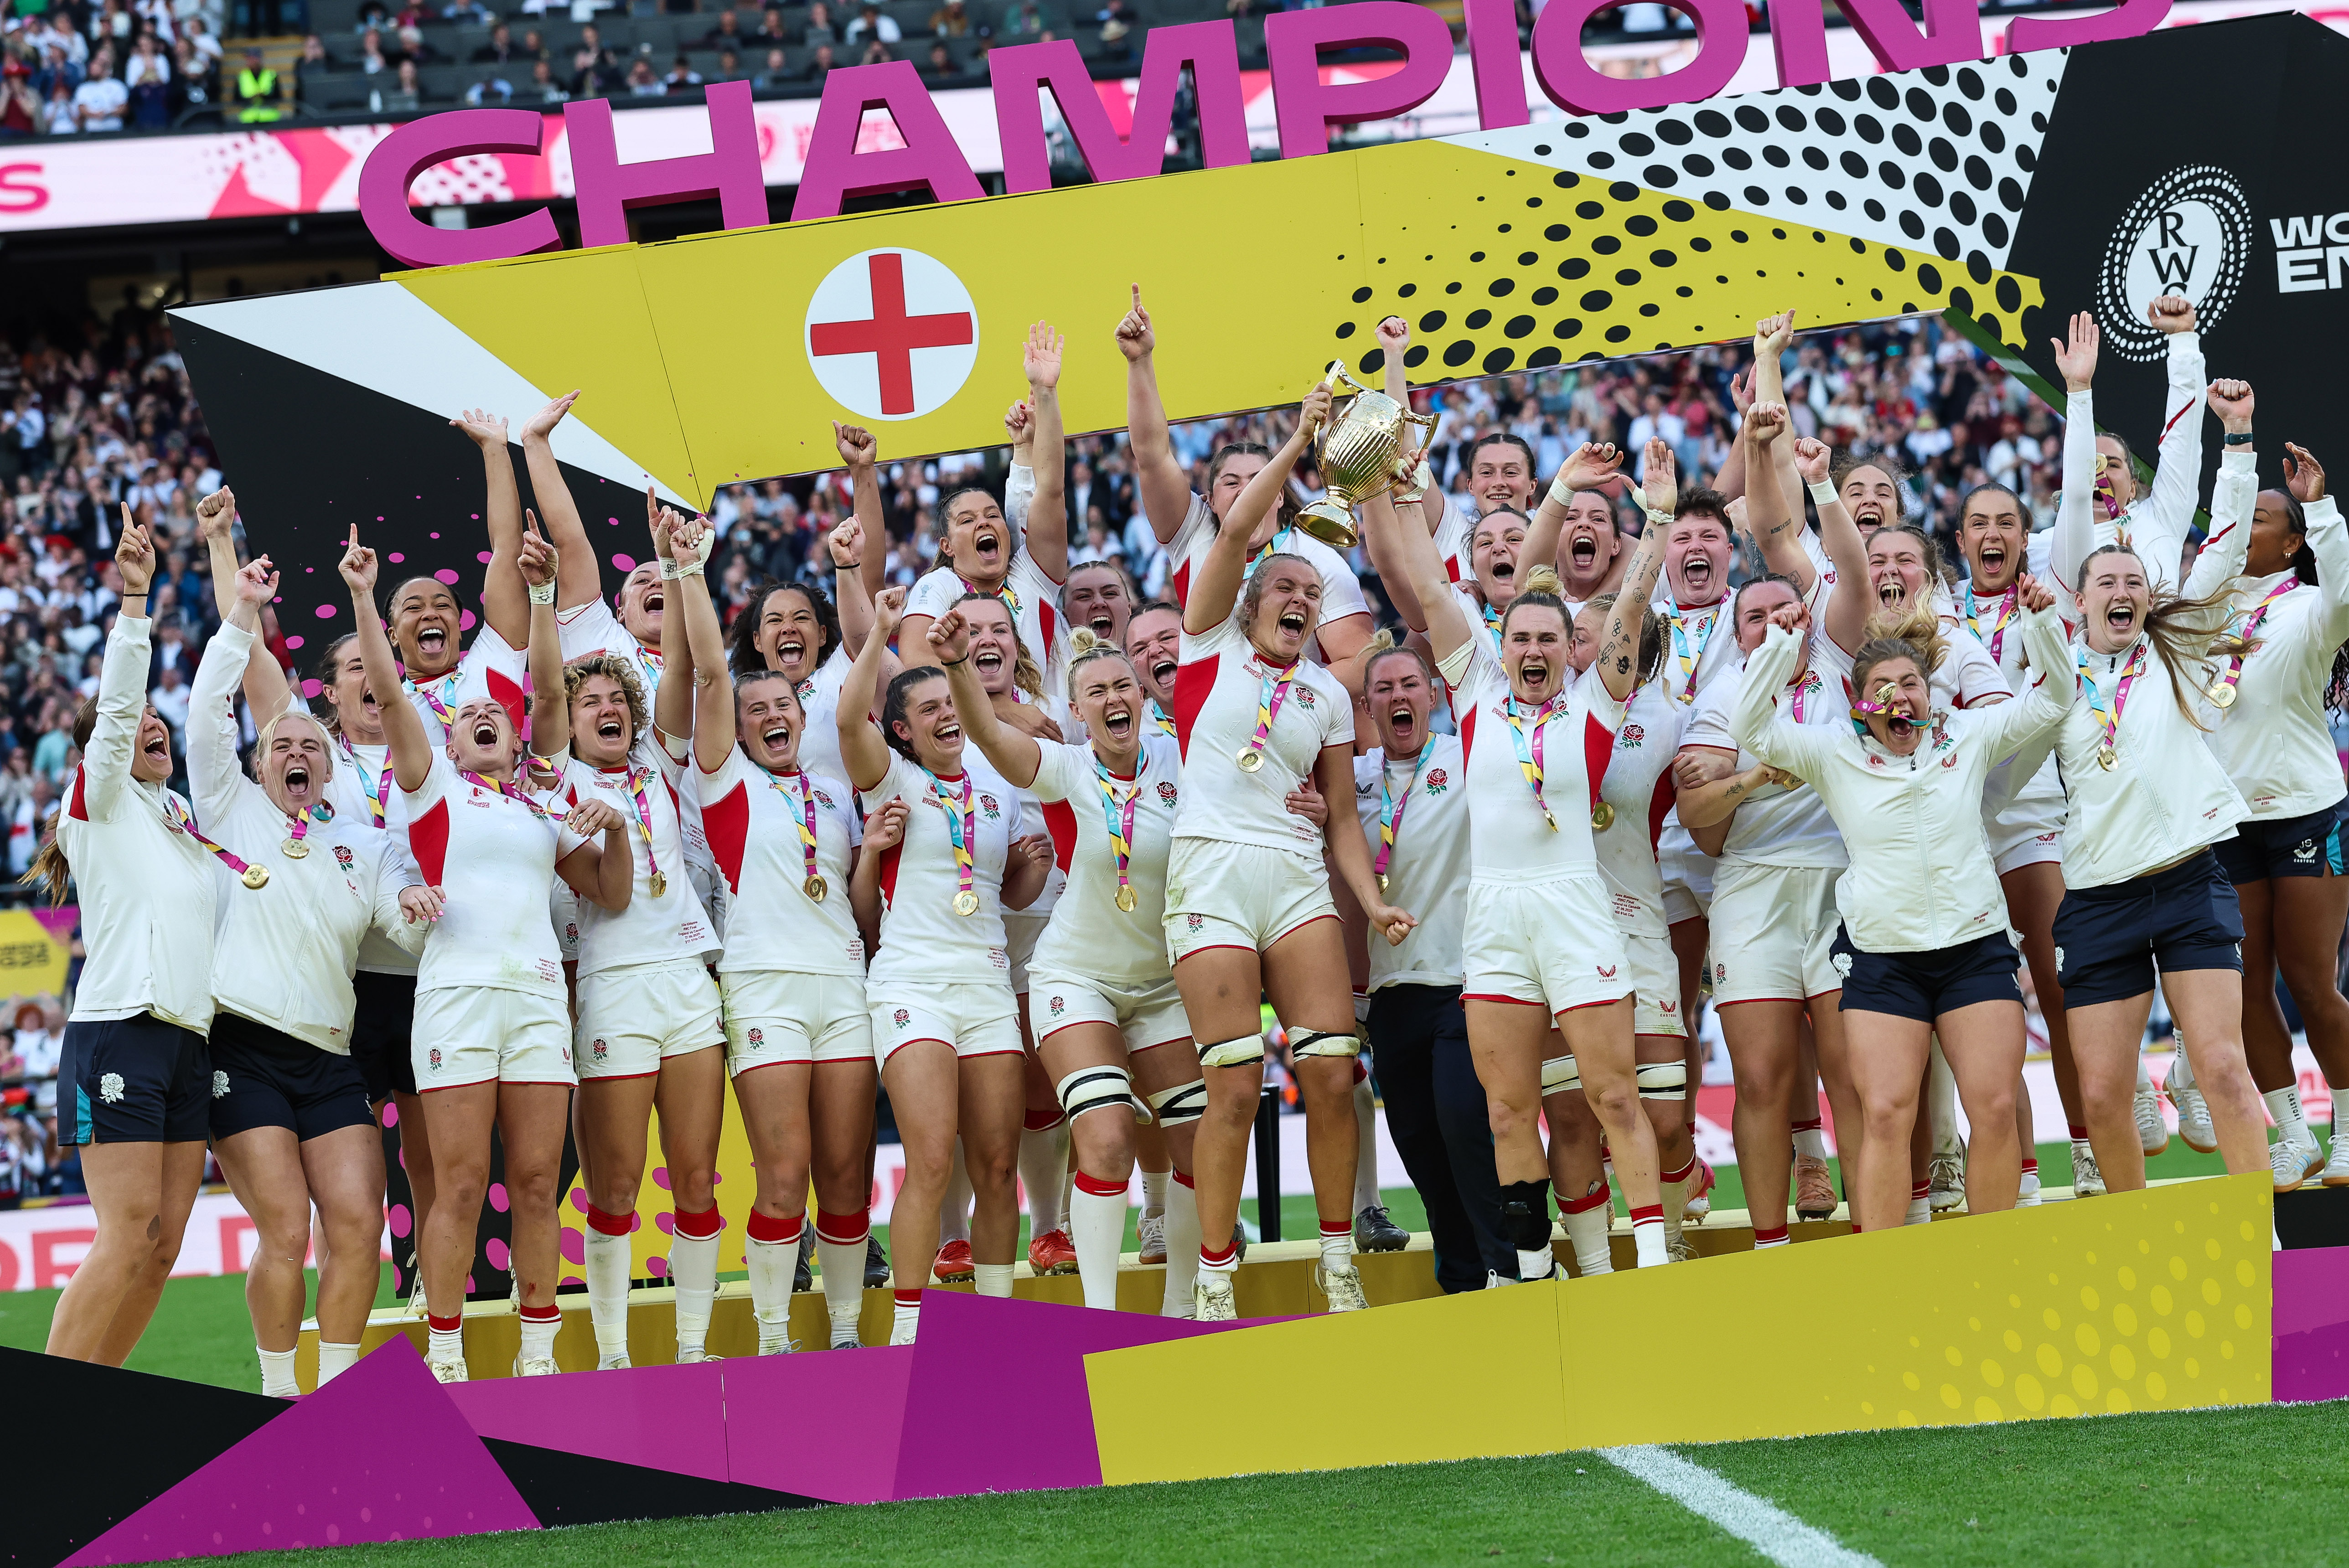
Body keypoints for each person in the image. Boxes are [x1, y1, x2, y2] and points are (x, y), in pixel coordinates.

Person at [1371, 422, 1674, 1278]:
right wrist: (1398, 484)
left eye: (1548, 639)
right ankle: (1534, 1275)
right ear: (1499, 650)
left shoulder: (1594, 707)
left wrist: (1652, 522)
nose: (1534, 649)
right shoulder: (1471, 696)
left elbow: (1631, 610)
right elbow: (1429, 585)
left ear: (1565, 654)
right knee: (1508, 1112)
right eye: (1521, 639)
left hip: (1575, 908)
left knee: (1612, 1096)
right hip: (1495, 915)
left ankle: (1648, 1267)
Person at [343, 519, 632, 1382]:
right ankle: (445, 1349)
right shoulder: (431, 795)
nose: (478, 715)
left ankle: (538, 1353)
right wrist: (364, 596)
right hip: (460, 998)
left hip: (540, 1001)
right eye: (465, 713)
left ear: (516, 742)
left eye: (491, 716)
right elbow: (395, 700)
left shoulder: (545, 812)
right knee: (460, 1184)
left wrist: (614, 830)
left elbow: (611, 892)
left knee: (540, 1184)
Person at [1165, 384, 1413, 1320]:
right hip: (1212, 873)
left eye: (1315, 594)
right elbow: (1230, 537)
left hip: (1298, 881)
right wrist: (1301, 441)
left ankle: (1336, 1256)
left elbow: (1343, 816)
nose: (1302, 602)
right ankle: (1217, 1273)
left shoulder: (1322, 699)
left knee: (1329, 1070)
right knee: (1231, 1083)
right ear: (1250, 600)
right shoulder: (1204, 647)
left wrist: (1373, 897)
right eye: (1287, 589)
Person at [1729, 578, 2074, 1231]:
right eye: (1882, 687)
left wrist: (2044, 627)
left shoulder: (1967, 736)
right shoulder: (1833, 751)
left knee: (1995, 1107)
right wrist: (1783, 642)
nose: (1899, 696)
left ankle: (1991, 1266)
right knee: (1887, 1114)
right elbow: (1752, 726)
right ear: (1861, 704)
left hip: (1974, 952)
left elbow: (2056, 697)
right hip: (1884, 961)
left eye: (1910, 684)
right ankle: (1891, 1280)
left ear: (1929, 694)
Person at [196, 487, 443, 1300]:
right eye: (350, 670)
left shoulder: (426, 747)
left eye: (377, 667)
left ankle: (435, 1280)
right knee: (350, 1179)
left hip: (412, 972)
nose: (369, 677)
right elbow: (250, 660)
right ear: (329, 692)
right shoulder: (307, 755)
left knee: (432, 1152)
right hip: (340, 983)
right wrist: (224, 547)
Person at [931, 614, 1196, 1311]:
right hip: (1077, 979)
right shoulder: (1069, 768)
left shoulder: (1184, 760)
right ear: (1076, 713)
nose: (1114, 700)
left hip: (1166, 984)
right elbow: (990, 736)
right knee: (1106, 1142)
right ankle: (1101, 1320)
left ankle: (1180, 1309)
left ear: (1141, 696)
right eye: (1096, 693)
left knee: (1199, 1150)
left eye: (1124, 687)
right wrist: (960, 665)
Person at [2048, 381, 2269, 1194]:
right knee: (2104, 1096)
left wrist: (2237, 441)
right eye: (2103, 582)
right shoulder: (2052, 676)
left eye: (2133, 582)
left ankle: (2264, 1244)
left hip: (2186, 882)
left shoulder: (2175, 652)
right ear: (2077, 602)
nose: (2120, 591)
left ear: (2149, 595)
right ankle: (2132, 1241)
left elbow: (2224, 548)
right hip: (2098, 897)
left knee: (2220, 1065)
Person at [534, 508, 726, 1371]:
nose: (607, 709)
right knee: (613, 1188)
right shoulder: (554, 785)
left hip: (688, 976)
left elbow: (685, 663)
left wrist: (677, 569)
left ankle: (691, 1350)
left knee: (695, 1182)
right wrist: (544, 597)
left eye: (618, 700)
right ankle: (612, 1354)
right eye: (591, 703)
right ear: (569, 724)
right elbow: (542, 693)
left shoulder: (662, 760)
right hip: (611, 982)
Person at [681, 511, 876, 1352]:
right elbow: (716, 687)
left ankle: (838, 1333)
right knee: (784, 1177)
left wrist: (882, 854)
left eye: (783, 703)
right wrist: (688, 570)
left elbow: (860, 908)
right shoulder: (723, 787)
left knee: (843, 1180)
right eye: (755, 702)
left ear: (804, 713)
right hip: (764, 986)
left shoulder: (836, 793)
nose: (770, 711)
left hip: (843, 984)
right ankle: (769, 1335)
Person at [838, 586, 1050, 1344]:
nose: (943, 716)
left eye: (947, 703)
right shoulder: (891, 781)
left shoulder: (998, 785)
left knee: (997, 1164)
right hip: (912, 985)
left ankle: (989, 1327)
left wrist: (1032, 865)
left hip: (987, 984)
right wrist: (884, 634)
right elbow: (844, 720)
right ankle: (908, 1331)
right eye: (924, 710)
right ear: (901, 730)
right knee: (930, 1156)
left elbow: (1010, 897)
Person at [38, 514, 219, 1365]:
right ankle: (46, 1417)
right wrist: (137, 601)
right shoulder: (97, 805)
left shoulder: (178, 819)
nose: (151, 723)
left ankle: (99, 1400)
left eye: (159, 719)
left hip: (186, 1038)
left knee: (165, 1242)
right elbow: (114, 712)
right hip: (119, 1029)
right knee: (126, 1231)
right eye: (134, 721)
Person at [1348, 629, 1513, 1291]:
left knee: (1462, 1122)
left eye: (1409, 685)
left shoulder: (1468, 755)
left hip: (1462, 981)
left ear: (1436, 694)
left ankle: (1508, 1263)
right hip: (1390, 991)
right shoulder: (1352, 780)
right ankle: (1462, 1273)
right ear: (1367, 707)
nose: (1397, 697)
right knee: (1417, 1139)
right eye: (1383, 689)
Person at [2204, 444, 2349, 1189]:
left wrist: (2320, 508)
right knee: (2244, 982)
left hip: (2304, 815)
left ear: (2289, 542)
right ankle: (2291, 1138)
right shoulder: (2209, 610)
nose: (2239, 527)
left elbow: (2346, 598)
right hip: (2228, 826)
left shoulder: (2308, 610)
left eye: (2257, 519)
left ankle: (2348, 1132)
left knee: (2310, 981)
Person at [1120, 288, 1376, 686]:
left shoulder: (1314, 560)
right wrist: (1140, 361)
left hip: (1284, 731)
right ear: (1209, 501)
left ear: (1278, 495)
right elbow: (1152, 455)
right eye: (1231, 482)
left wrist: (1282, 704)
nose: (1244, 492)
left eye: (1258, 482)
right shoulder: (1191, 533)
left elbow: (1360, 662)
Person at [1949, 475, 2089, 1197]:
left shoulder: (2049, 602)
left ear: (2026, 538)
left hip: (2032, 818)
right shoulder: (1932, 613)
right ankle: (2020, 1167)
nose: (1993, 533)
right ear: (1961, 539)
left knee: (2063, 991)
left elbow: (2074, 507)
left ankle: (2091, 1145)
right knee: (1987, 1002)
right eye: (1979, 522)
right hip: (1955, 827)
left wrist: (2077, 392)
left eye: (2007, 521)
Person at [2049, 298, 2208, 595]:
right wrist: (2078, 391)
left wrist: (2184, 342)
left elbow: (2183, 442)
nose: (2099, 473)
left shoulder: (2161, 519)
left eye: (2112, 464)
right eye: (2090, 463)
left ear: (2134, 488)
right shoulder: (2044, 544)